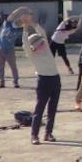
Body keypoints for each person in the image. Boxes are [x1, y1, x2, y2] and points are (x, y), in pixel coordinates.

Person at [18, 14, 61, 144]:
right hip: (43, 80)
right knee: (39, 109)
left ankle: (48, 133)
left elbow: (41, 32)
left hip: (55, 79)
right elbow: (25, 44)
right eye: (37, 42)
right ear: (33, 46)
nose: (41, 44)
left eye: (41, 41)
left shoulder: (46, 47)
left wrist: (32, 23)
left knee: (52, 109)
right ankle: (34, 135)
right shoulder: (32, 54)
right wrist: (25, 28)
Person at [0, 8, 27, 89]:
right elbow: (13, 14)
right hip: (1, 48)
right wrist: (22, 9)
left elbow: (26, 28)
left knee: (13, 66)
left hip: (10, 49)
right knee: (0, 66)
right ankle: (1, 82)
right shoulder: (7, 23)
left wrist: (25, 20)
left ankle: (15, 82)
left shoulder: (19, 30)